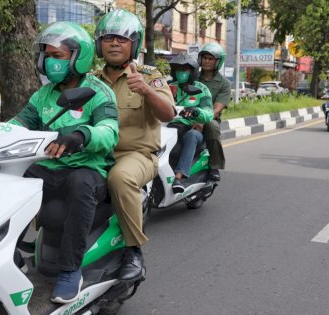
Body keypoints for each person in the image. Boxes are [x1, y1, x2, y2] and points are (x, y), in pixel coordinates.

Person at [0, 21, 119, 304]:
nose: (51, 61)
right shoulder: (43, 94)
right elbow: (18, 125)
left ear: (77, 57)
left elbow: (109, 132)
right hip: (48, 168)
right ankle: (7, 256)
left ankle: (70, 270)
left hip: (86, 170)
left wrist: (80, 135)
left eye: (59, 55)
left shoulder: (98, 92)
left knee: (81, 184)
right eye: (48, 55)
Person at [92, 9, 175, 281]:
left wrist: (148, 91)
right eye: (108, 38)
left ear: (134, 45)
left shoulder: (149, 74)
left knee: (121, 177)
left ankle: (133, 250)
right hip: (96, 153)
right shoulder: (90, 79)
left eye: (122, 39)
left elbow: (168, 114)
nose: (114, 43)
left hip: (136, 155)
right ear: (99, 44)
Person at [167, 53, 213, 194]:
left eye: (186, 69)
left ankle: (179, 177)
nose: (182, 73)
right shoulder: (167, 87)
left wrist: (196, 112)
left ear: (192, 72)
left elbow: (209, 113)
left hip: (191, 129)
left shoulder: (202, 89)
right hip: (168, 126)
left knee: (192, 135)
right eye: (179, 69)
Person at [196, 43, 231, 181]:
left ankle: (214, 166)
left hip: (209, 118)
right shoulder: (193, 77)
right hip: (187, 114)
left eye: (210, 59)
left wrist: (201, 119)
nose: (206, 61)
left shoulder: (224, 84)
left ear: (218, 61)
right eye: (204, 58)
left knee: (212, 126)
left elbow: (216, 109)